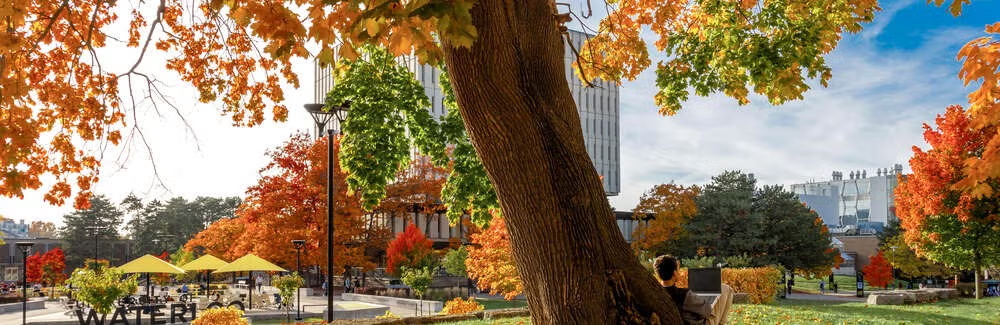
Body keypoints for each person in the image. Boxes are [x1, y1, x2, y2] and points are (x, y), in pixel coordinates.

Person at [655, 255, 733, 325]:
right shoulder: (683, 295)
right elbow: (706, 310)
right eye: (678, 269)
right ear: (674, 273)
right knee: (726, 288)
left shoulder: (655, 294)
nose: (679, 272)